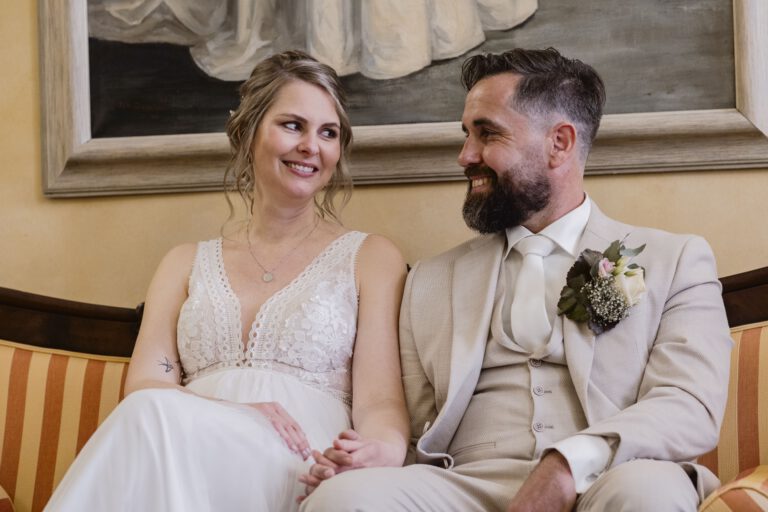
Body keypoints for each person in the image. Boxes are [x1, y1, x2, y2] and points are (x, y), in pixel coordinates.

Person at [300, 48, 732, 511]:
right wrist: (362, 461)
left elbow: (689, 405)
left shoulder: (674, 260)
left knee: (649, 492)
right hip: (461, 487)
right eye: (466, 135)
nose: (465, 156)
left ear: (560, 143)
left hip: (611, 476)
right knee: (344, 499)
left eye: (487, 134)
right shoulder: (428, 279)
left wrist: (567, 463)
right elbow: (411, 429)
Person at [45, 50, 409, 511]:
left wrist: (376, 452)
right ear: (248, 132)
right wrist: (235, 412)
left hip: (300, 460)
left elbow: (380, 401)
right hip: (180, 452)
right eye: (293, 125)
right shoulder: (182, 262)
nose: (311, 146)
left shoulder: (371, 257)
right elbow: (145, 383)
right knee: (146, 412)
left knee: (149, 416)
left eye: (328, 133)